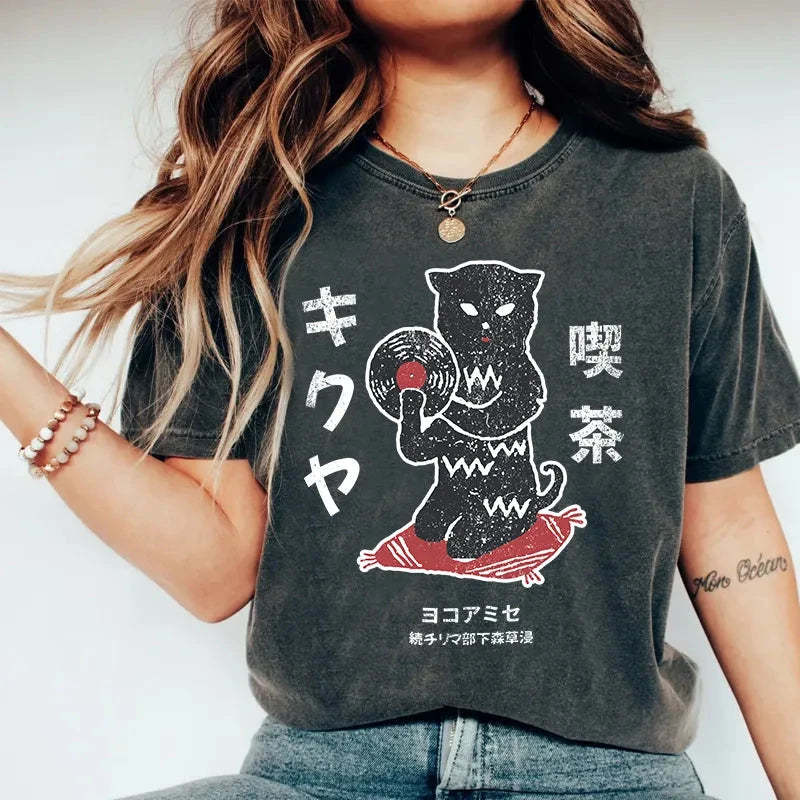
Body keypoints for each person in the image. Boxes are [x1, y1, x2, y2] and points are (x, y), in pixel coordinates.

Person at [1, 1, 799, 798]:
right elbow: (214, 573)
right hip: (324, 776)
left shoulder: (671, 194)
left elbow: (729, 529)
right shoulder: (246, 207)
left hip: (606, 775)